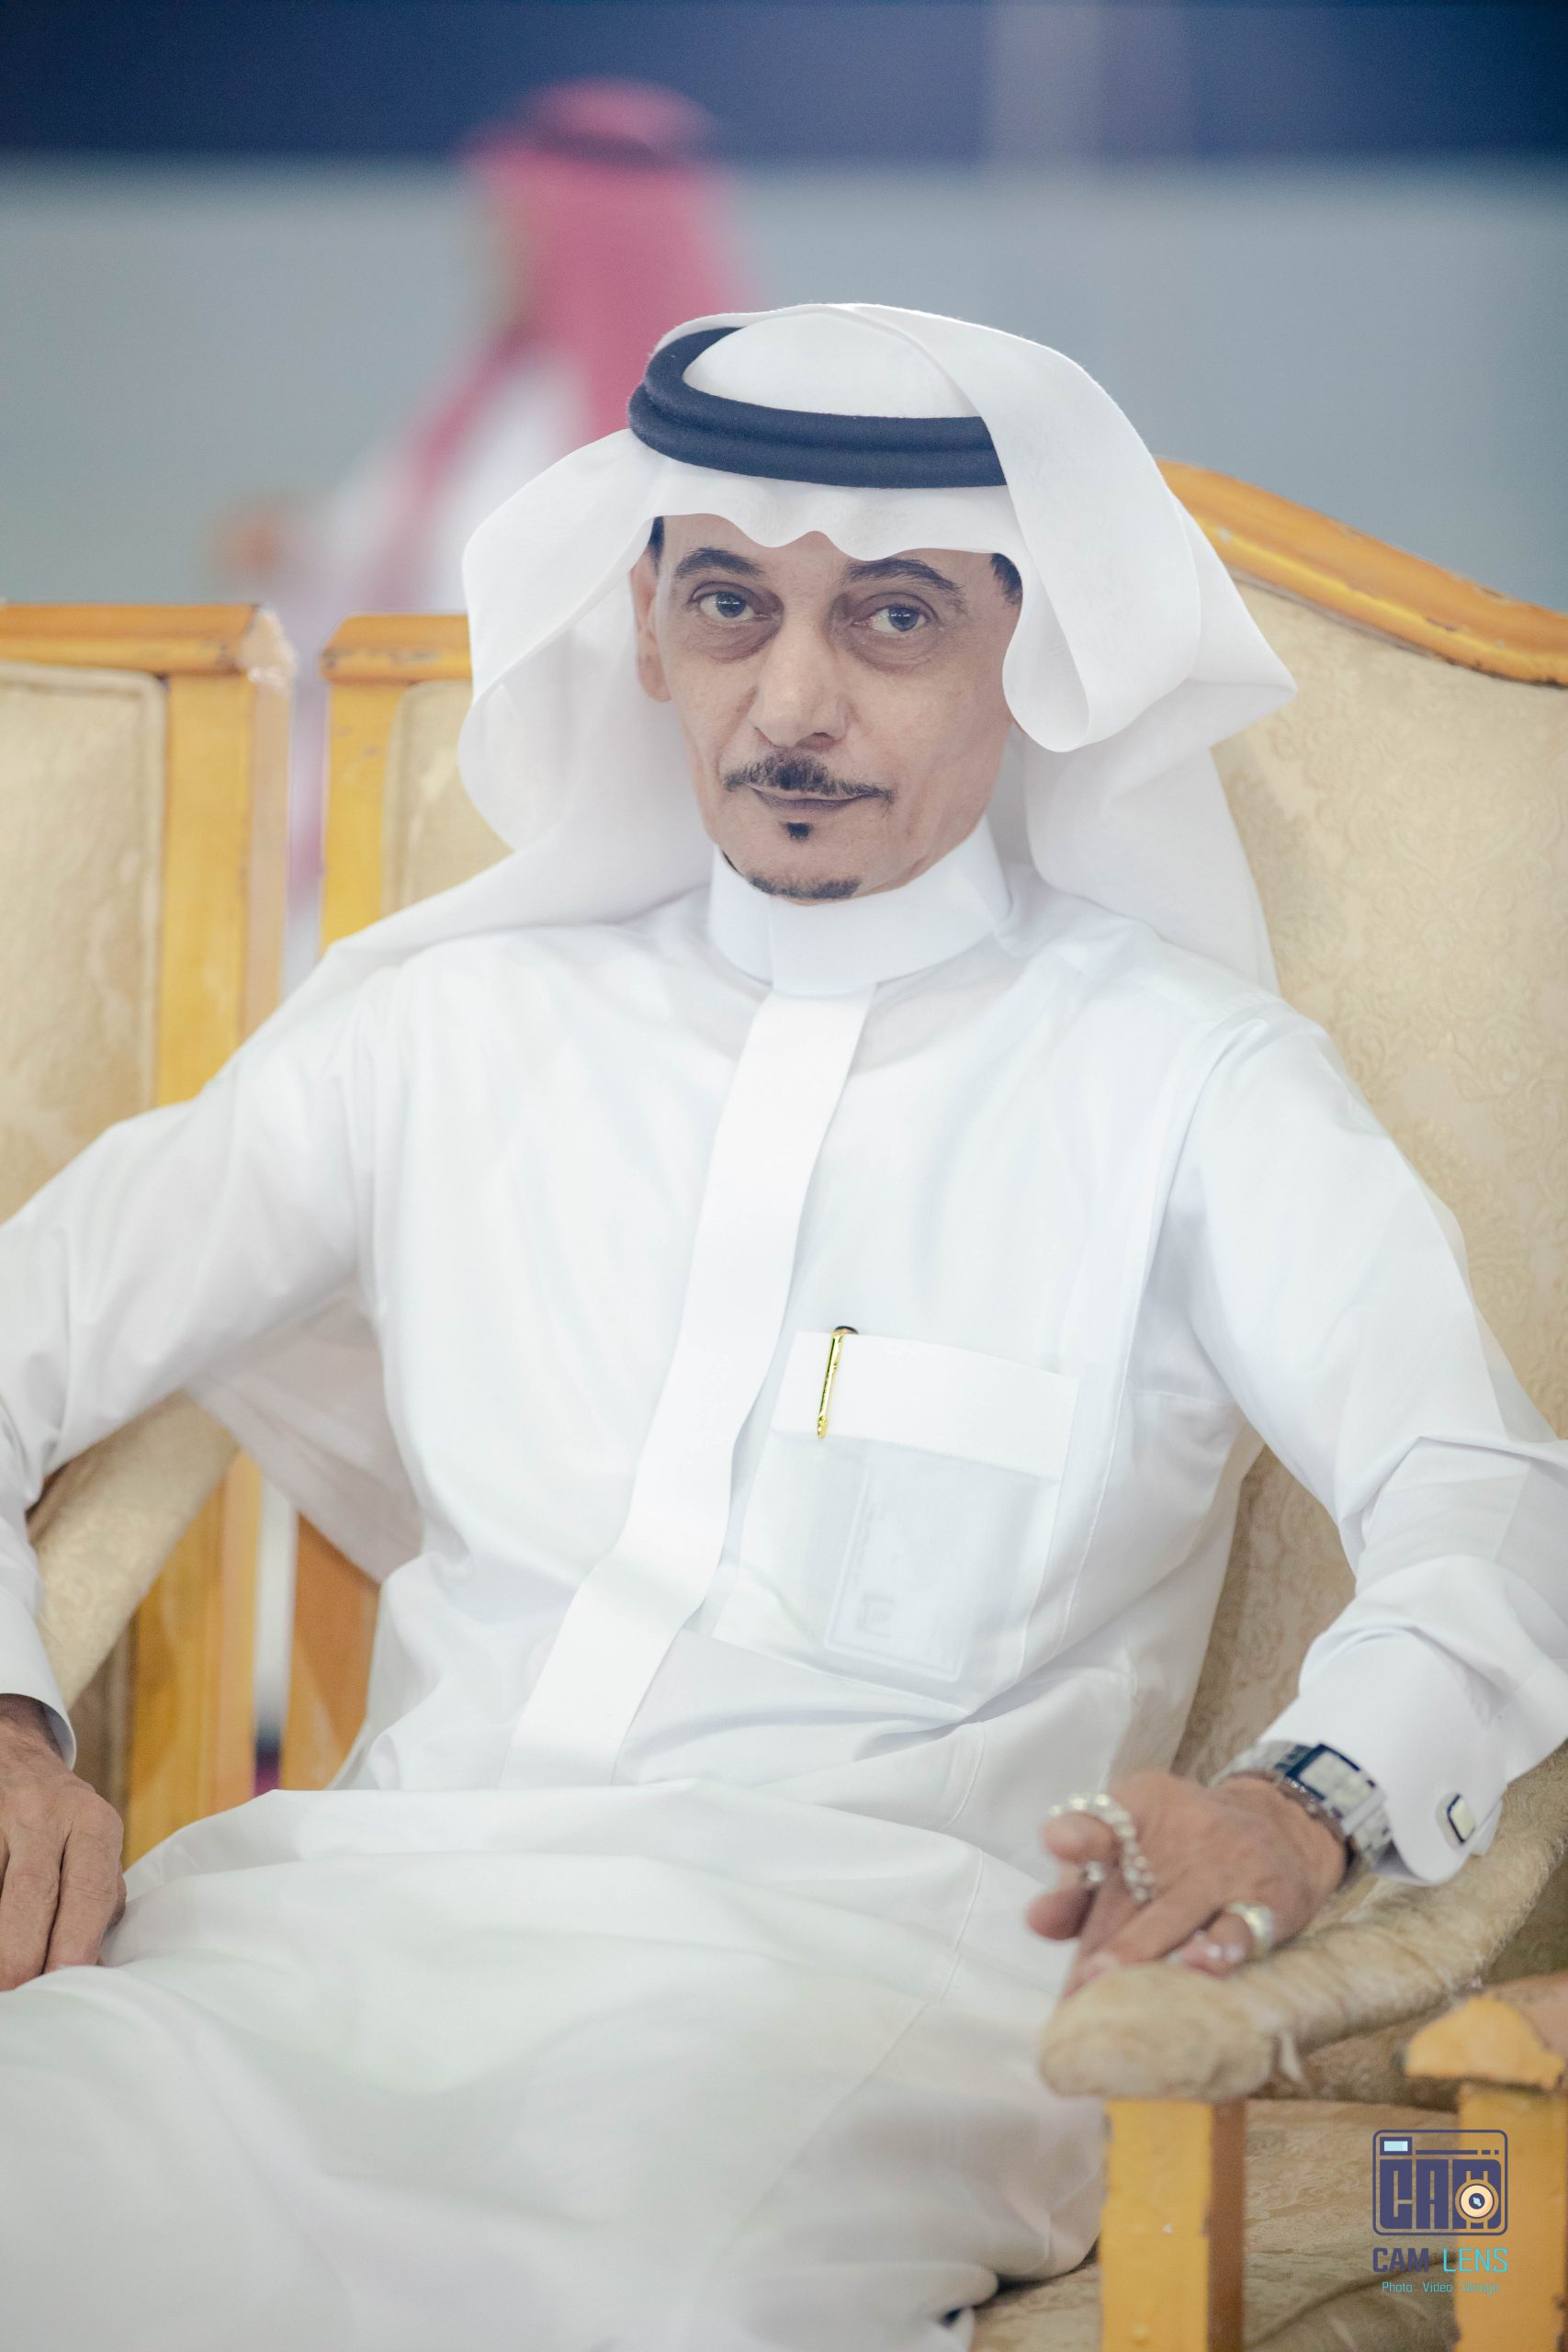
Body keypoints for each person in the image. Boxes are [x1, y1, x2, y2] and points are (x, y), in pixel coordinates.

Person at [0, 303, 1564, 2352]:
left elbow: (1485, 1492)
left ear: (1028, 650)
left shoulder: (1188, 1086)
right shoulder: (442, 1031)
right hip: (328, 1929)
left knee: (610, 2289)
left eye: (894, 619)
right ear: (645, 627)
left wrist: (1303, 1799)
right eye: (730, 603)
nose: (792, 700)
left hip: (867, 1989)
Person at [219, 75, 748, 979]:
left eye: (512, 230)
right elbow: (373, 579)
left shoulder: (706, 432)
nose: (492, 256)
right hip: (412, 781)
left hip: (589, 820)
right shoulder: (485, 404)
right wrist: (292, 553)